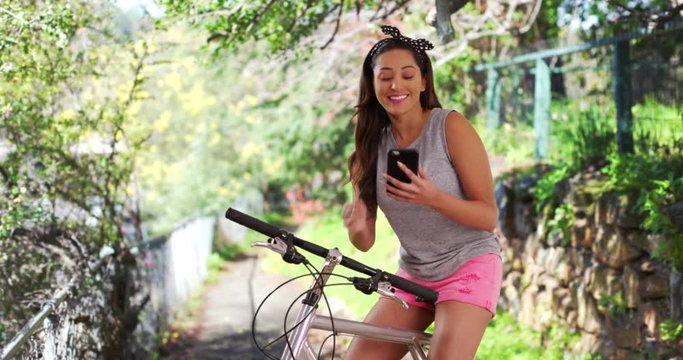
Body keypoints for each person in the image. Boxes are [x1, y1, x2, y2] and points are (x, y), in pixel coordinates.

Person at [342, 25, 502, 360]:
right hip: (415, 273)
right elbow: (365, 241)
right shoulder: (368, 151)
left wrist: (433, 198)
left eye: (407, 75)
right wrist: (356, 225)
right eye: (385, 76)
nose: (396, 85)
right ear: (372, 85)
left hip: (468, 264)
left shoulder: (450, 127)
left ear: (423, 81)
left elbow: (487, 217)